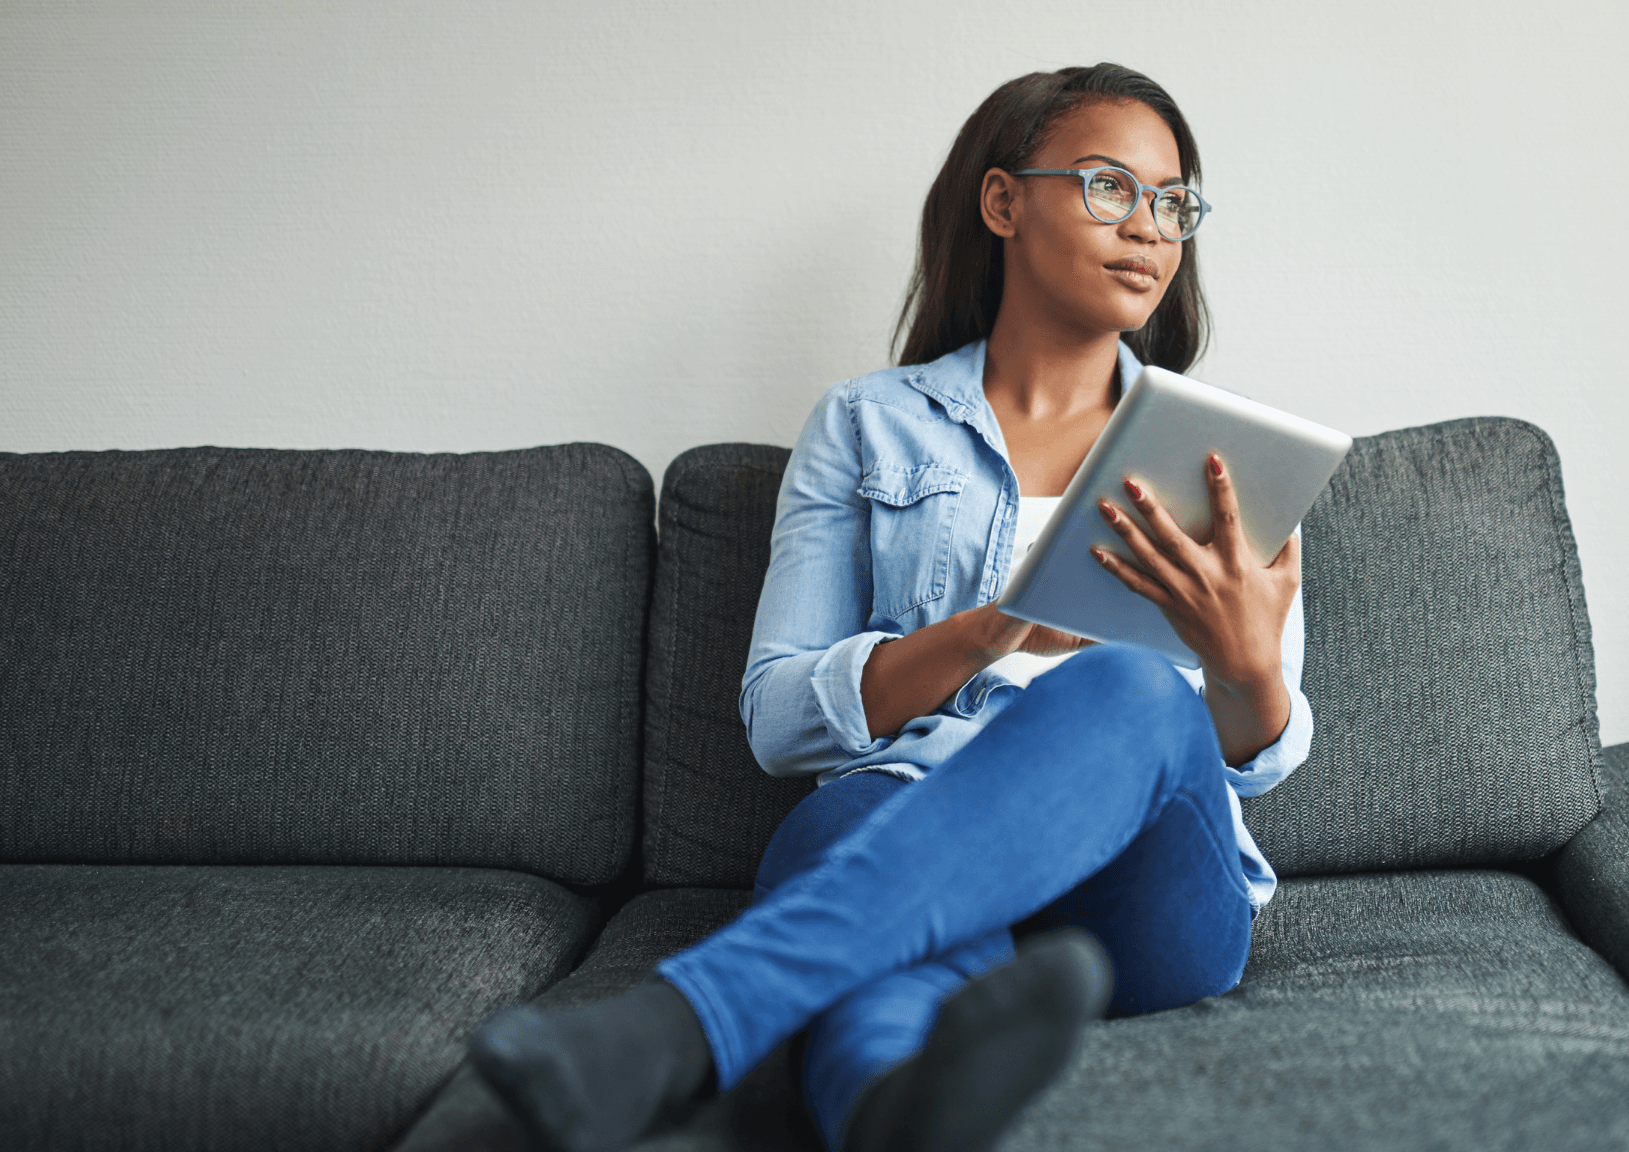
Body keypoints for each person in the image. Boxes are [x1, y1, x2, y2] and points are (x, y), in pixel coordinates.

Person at [468, 62, 1311, 1152]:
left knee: (1136, 687)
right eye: (1111, 187)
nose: (1150, 227)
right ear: (1003, 200)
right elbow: (780, 716)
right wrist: (996, 625)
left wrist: (1247, 673)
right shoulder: (869, 426)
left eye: (1173, 202)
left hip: (1142, 891)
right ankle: (889, 1112)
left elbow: (1258, 758)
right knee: (865, 856)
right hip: (906, 815)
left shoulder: (1219, 458)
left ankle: (675, 1027)